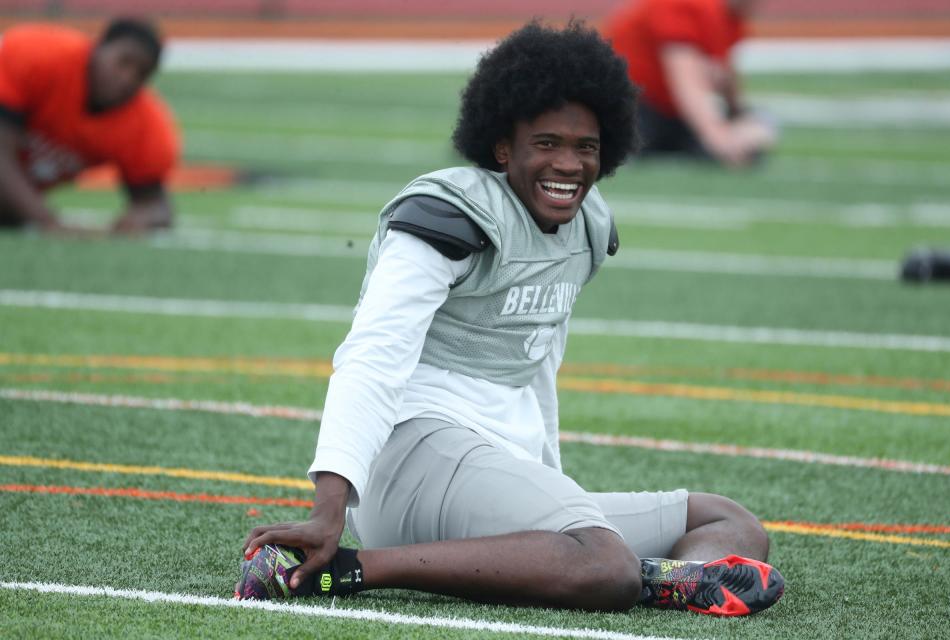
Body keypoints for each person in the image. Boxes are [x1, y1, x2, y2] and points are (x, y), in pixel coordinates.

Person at [238, 21, 785, 616]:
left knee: (730, 522)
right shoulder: (449, 213)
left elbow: (538, 360)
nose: (569, 164)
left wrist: (553, 492)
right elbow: (372, 353)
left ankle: (652, 577)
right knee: (603, 565)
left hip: (490, 472)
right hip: (415, 457)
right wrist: (330, 511)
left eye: (587, 147)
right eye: (546, 142)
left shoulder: (588, 225)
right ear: (503, 146)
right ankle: (350, 570)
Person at [0, 18, 179, 233]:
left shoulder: (145, 124)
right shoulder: (40, 56)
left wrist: (141, 218)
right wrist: (48, 222)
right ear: (98, 47)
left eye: (141, 74)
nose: (127, 78)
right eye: (124, 62)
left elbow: (157, 205)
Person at [606, 0, 777, 168]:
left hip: (669, 110)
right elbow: (685, 80)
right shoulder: (684, 5)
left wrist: (738, 115)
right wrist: (719, 138)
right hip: (635, 104)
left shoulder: (728, 16)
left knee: (759, 124)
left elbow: (724, 72)